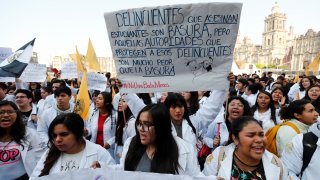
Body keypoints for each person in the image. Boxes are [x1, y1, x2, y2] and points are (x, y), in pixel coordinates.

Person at [93, 104, 200, 176]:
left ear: (161, 126)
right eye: (139, 123)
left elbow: (195, 176)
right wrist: (103, 168)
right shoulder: (131, 143)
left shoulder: (184, 149)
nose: (141, 129)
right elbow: (123, 170)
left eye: (147, 125)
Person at [30, 113, 115, 179]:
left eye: (64, 134)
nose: (57, 140)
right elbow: (35, 177)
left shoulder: (99, 152)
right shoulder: (49, 153)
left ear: (78, 133)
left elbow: (114, 176)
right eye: (54, 135)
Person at [203, 116, 286, 179]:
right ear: (235, 139)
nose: (259, 140)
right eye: (251, 135)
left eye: (261, 135)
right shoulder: (219, 157)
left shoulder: (276, 163)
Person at [0, 101, 45, 180]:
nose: (6, 115)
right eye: (1, 112)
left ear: (17, 114)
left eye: (10, 112)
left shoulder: (30, 134)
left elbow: (40, 158)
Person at [86, 91, 117, 159]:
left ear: (107, 102)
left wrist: (109, 143)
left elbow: (119, 133)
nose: (97, 100)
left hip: (109, 149)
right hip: (95, 148)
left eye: (100, 99)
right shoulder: (93, 114)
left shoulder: (115, 115)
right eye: (97, 98)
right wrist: (86, 131)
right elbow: (90, 128)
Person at [114, 94, 136, 164]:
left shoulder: (132, 123)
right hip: (119, 158)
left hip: (126, 160)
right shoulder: (122, 120)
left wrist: (124, 155)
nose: (120, 103)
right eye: (120, 100)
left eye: (124, 101)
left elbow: (133, 144)